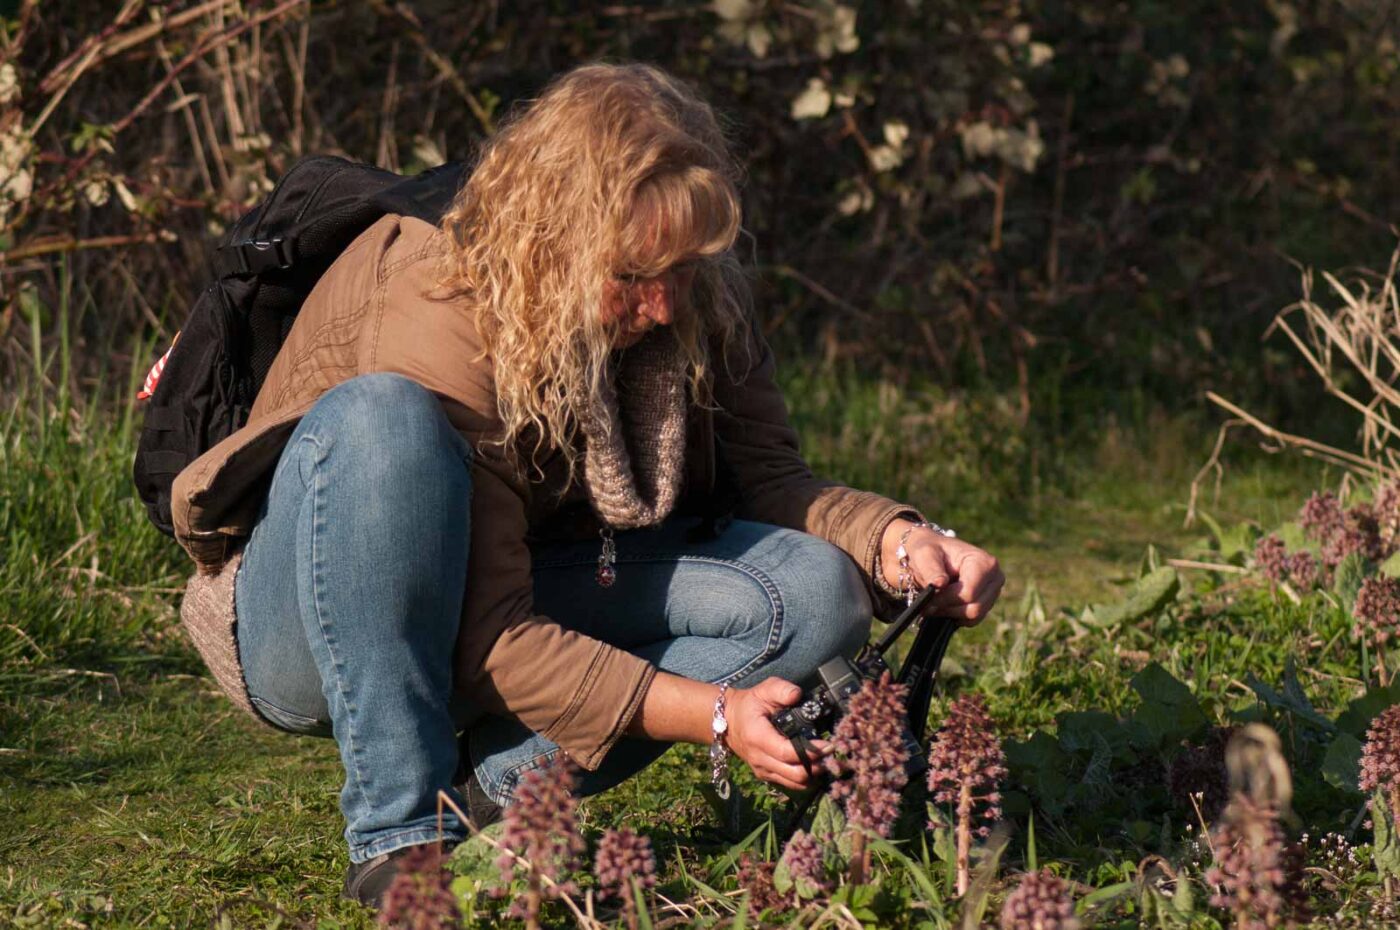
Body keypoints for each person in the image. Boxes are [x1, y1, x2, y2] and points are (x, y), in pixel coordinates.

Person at [171, 62, 1005, 907]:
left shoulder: (691, 288)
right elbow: (486, 634)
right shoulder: (437, 301)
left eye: (682, 269)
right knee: (383, 417)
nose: (666, 306)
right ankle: (398, 837)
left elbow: (770, 479)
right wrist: (714, 714)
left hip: (526, 583)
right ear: (553, 244)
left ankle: (485, 793)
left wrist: (899, 542)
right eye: (635, 276)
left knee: (818, 592)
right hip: (317, 626)